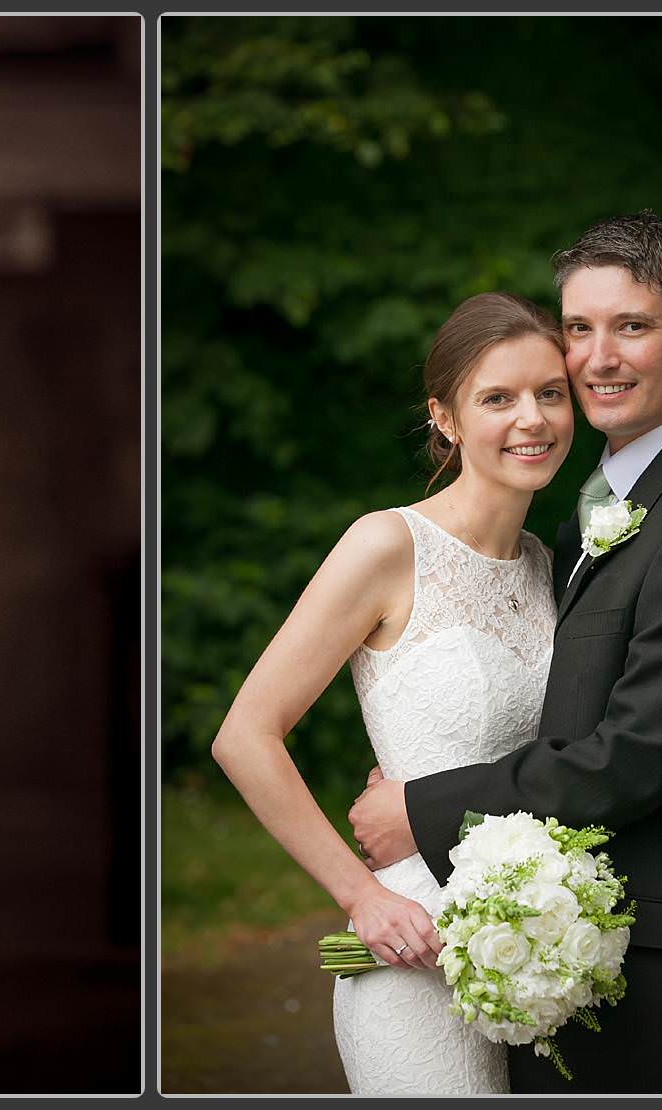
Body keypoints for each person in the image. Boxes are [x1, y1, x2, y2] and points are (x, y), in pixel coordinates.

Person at [348, 213, 662, 1092]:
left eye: (632, 325)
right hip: (562, 958)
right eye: (579, 329)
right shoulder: (596, 504)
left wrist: (422, 811)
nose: (598, 358)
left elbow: (632, 757)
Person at [212, 291, 579, 1093]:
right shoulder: (387, 546)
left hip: (538, 952)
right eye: (498, 398)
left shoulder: (552, 569)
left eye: (551, 393)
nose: (533, 419)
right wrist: (362, 896)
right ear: (444, 417)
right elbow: (245, 735)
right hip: (409, 945)